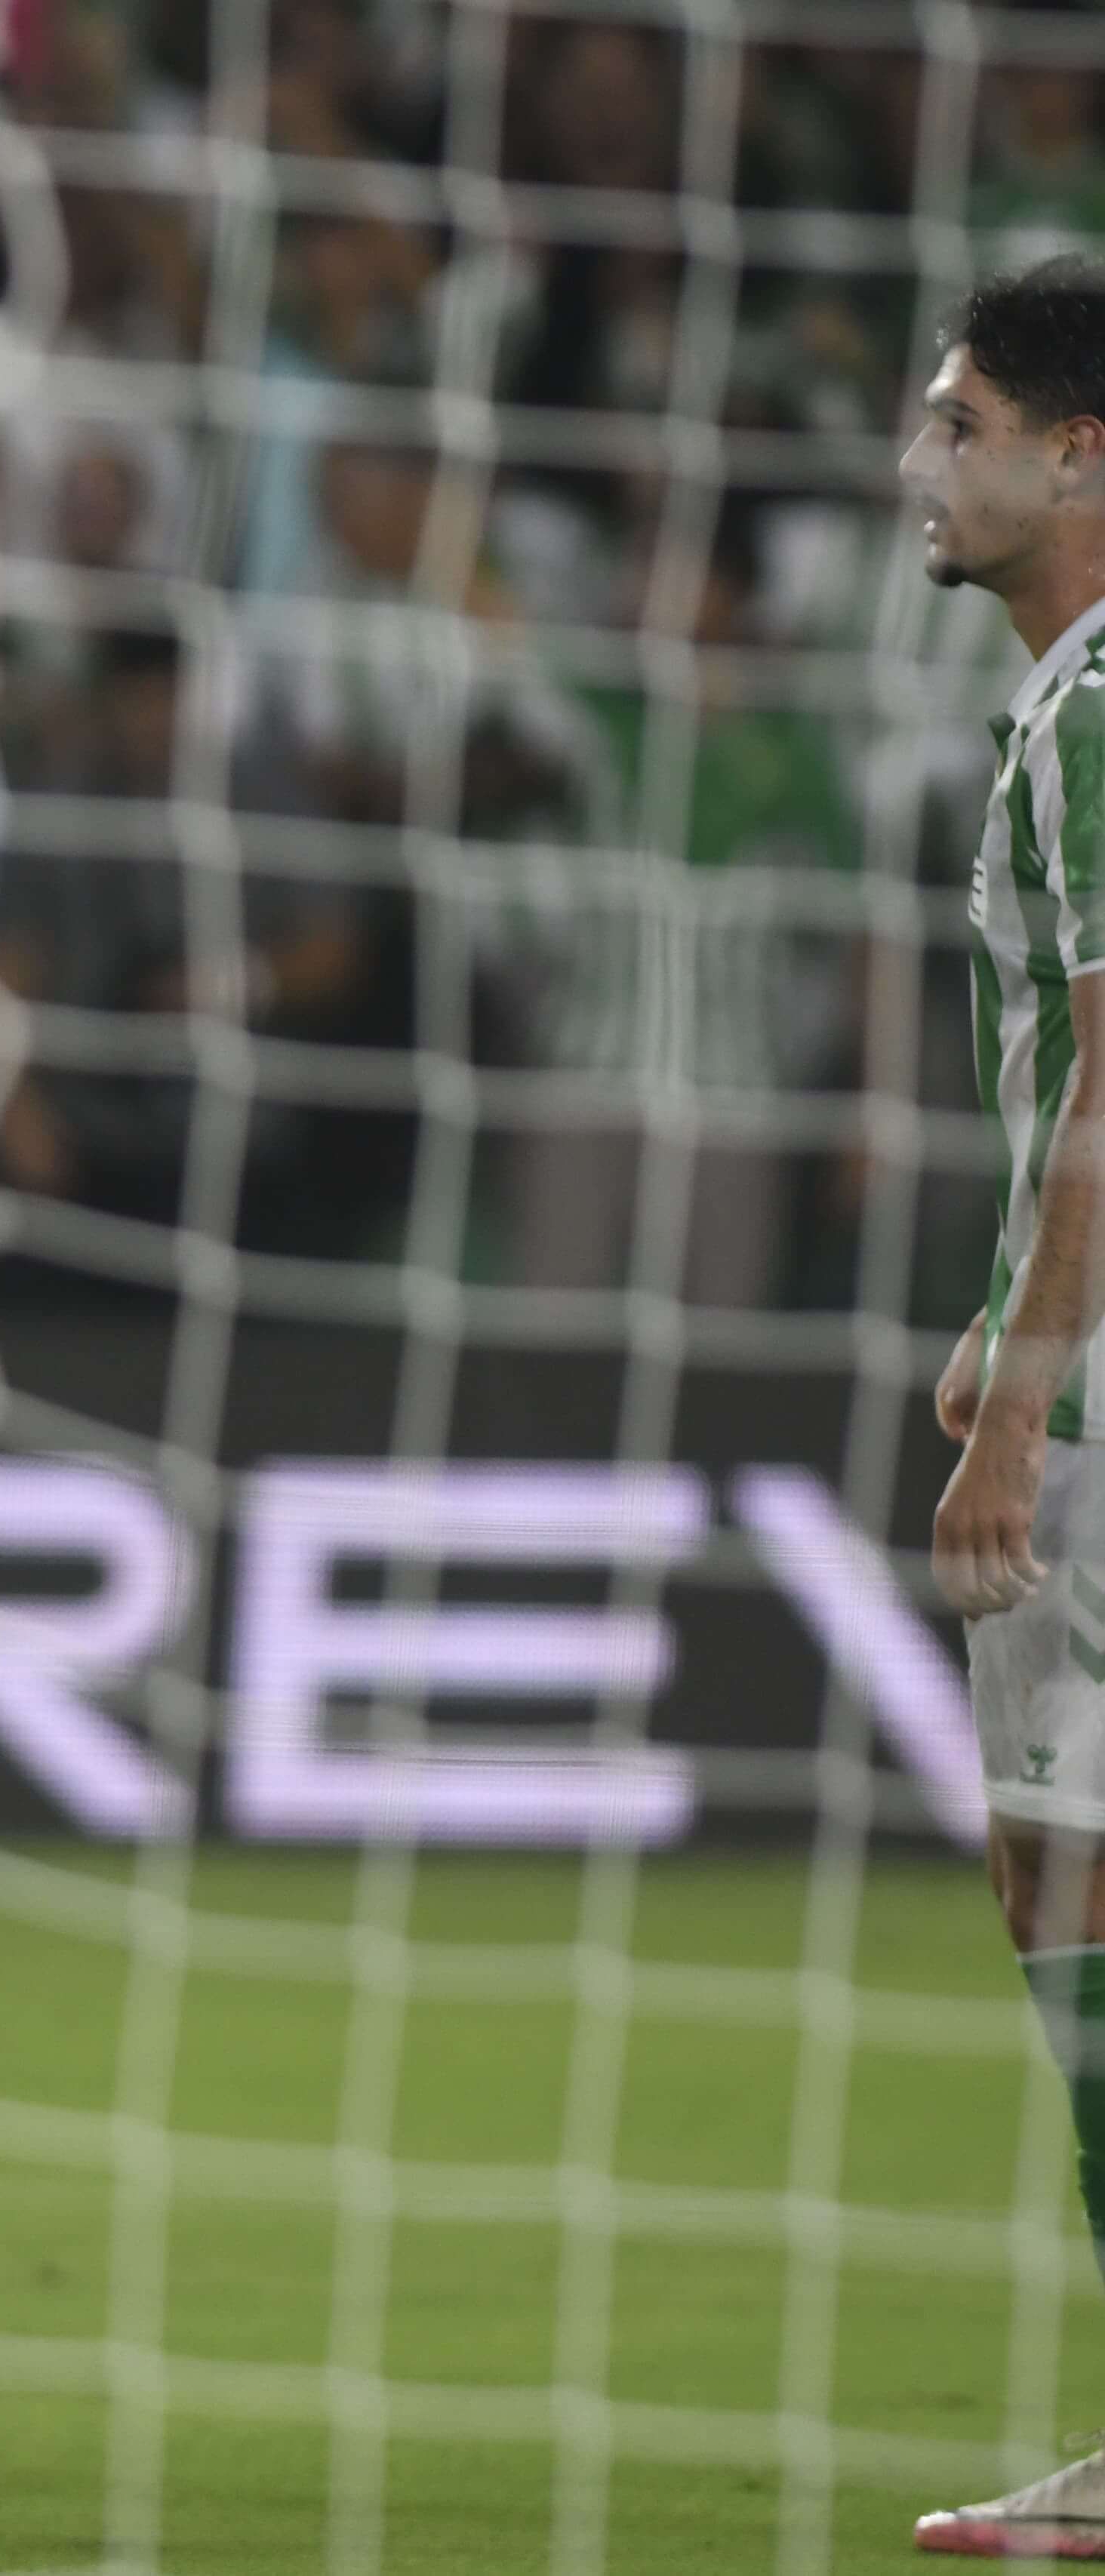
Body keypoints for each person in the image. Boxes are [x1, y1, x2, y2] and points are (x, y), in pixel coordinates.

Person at [906, 256, 1105, 2557]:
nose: (917, 470)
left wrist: (1012, 1402)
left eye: (957, 425)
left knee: (1057, 1872)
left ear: (1075, 456)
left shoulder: (1083, 716)